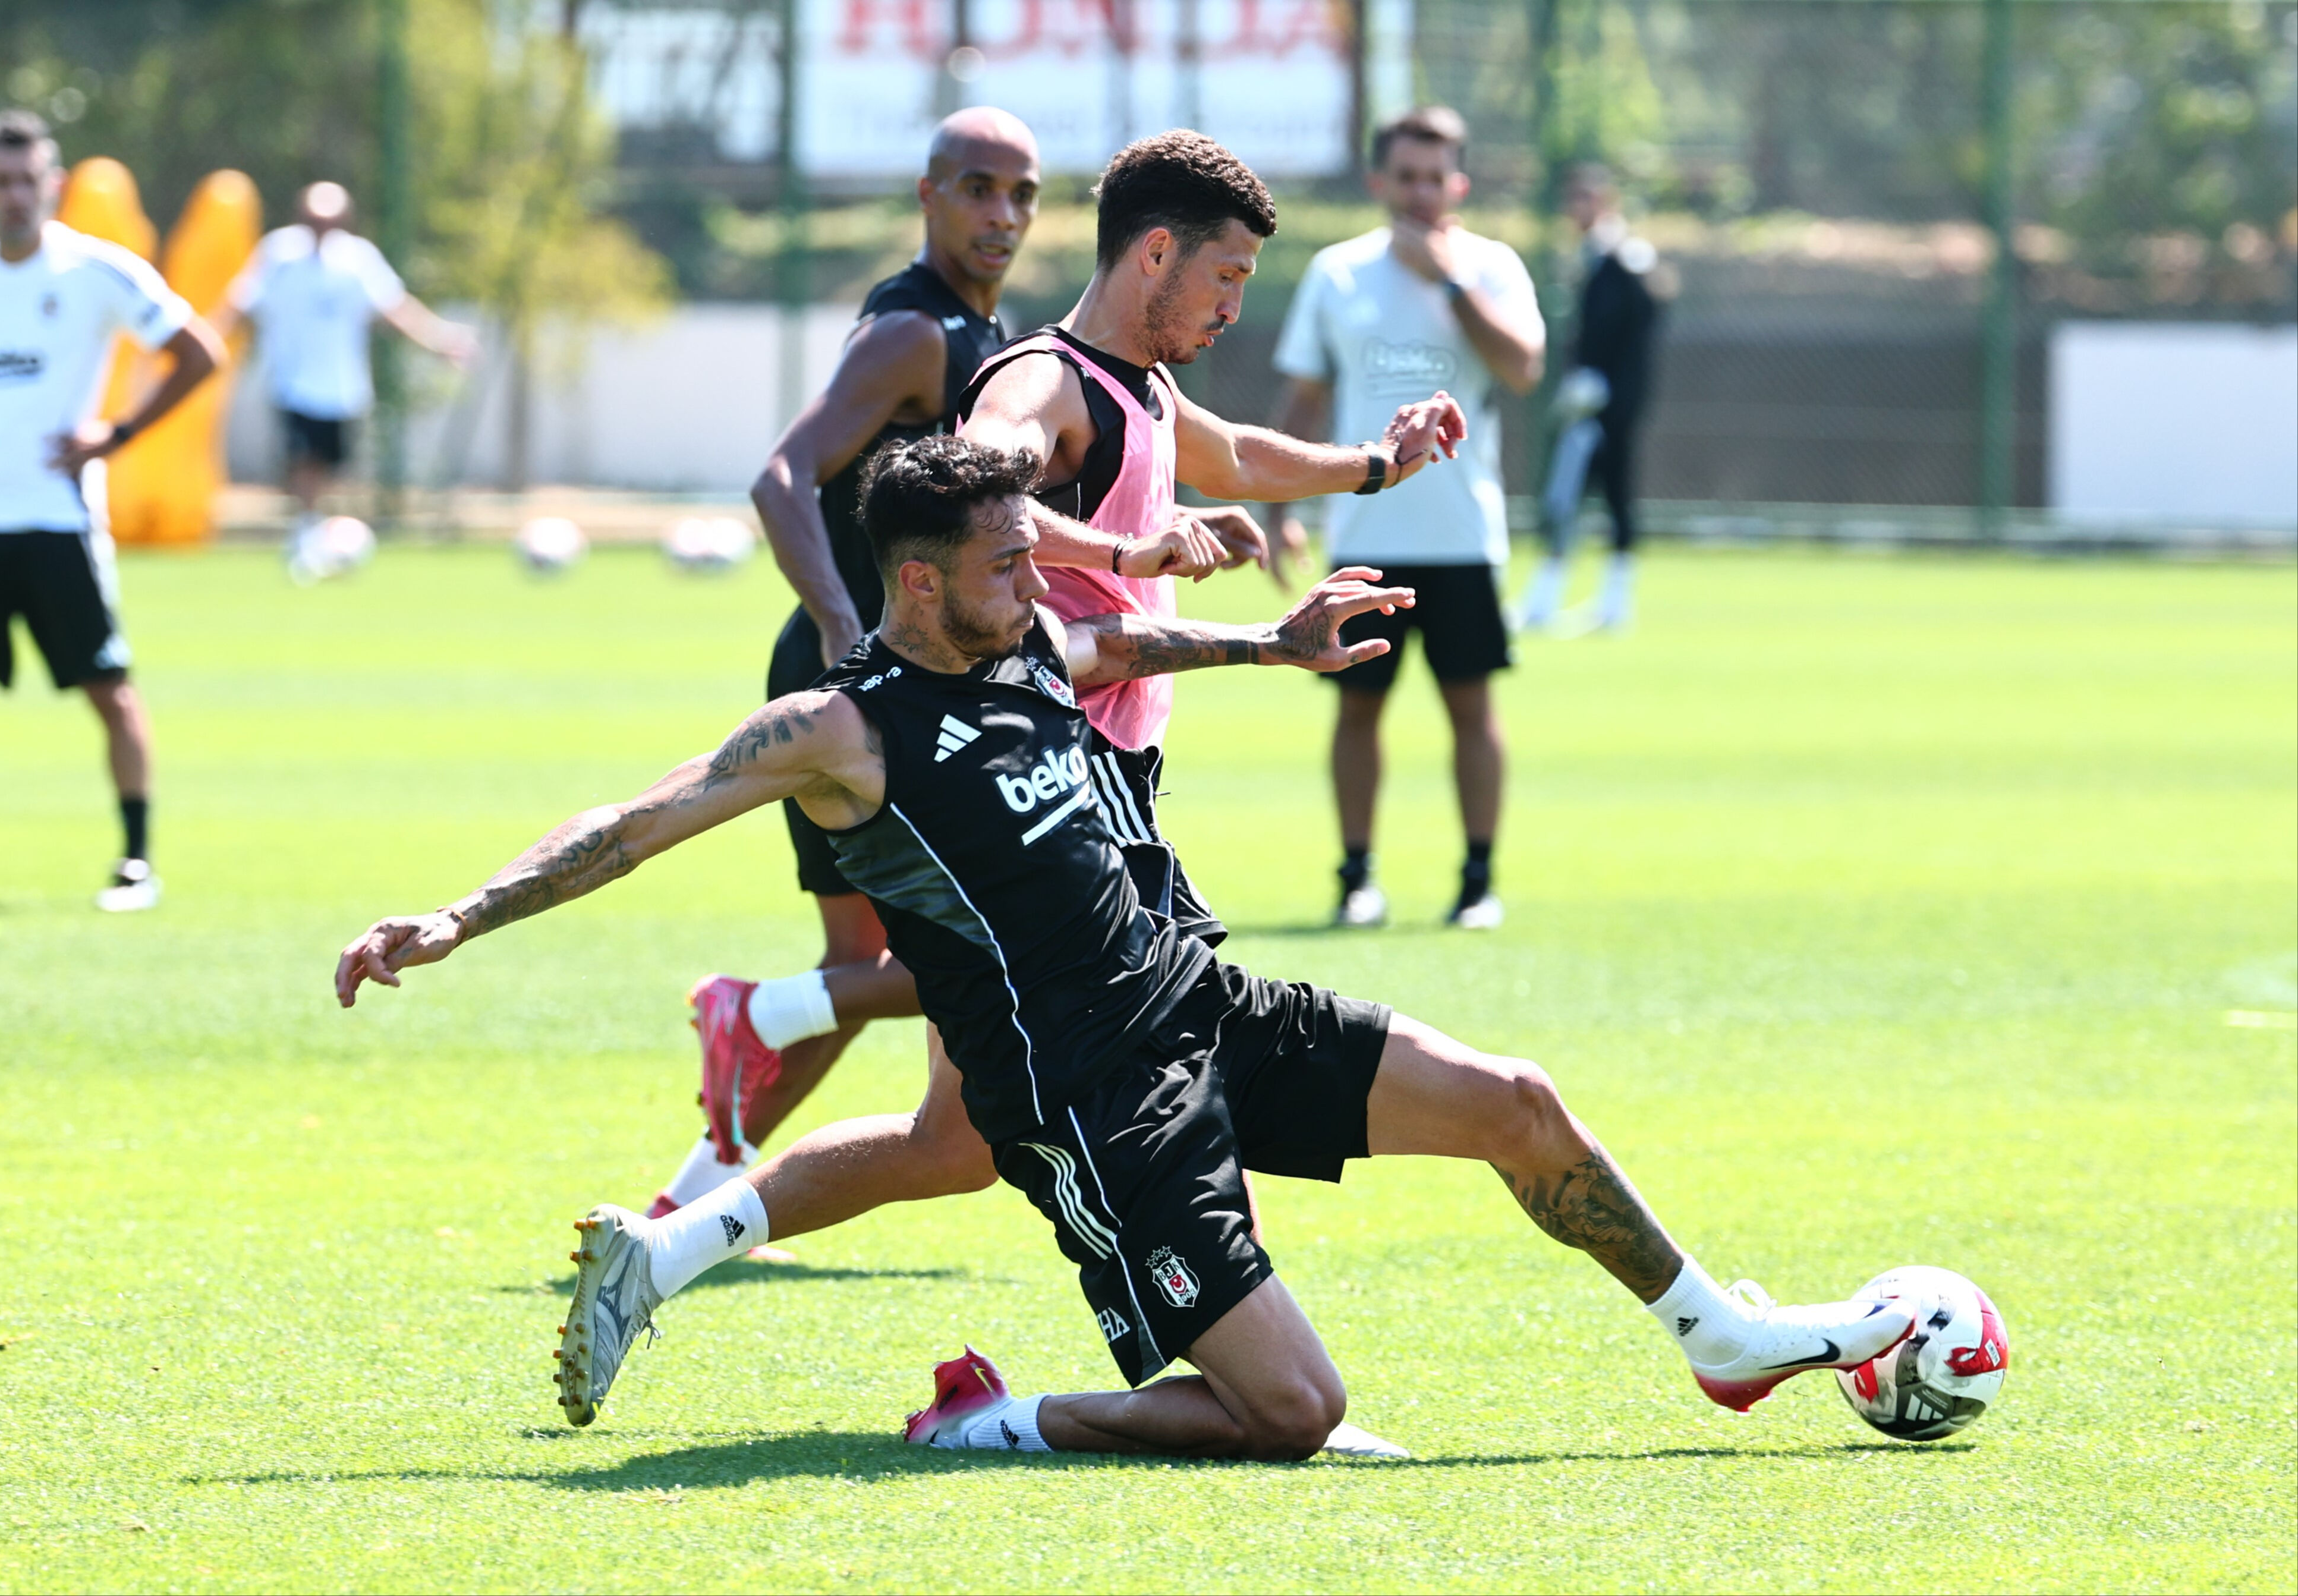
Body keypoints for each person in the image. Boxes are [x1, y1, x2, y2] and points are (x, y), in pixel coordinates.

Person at [332, 434, 1913, 1458]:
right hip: (1092, 1099)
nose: (1043, 586)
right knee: (1296, 1413)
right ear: (917, 577)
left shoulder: (1022, 642)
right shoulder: (840, 726)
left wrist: (1266, 642)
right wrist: (457, 916)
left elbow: (1122, 636)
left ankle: (1719, 1329)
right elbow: (640, 816)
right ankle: (1000, 1419)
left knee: (1515, 1096)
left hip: (1206, 1000)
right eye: (1011, 562)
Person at [656, 127, 1459, 1232]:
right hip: (1047, 773)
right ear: (1156, 254)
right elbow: (979, 494)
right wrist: (1131, 557)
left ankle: (669, 1238)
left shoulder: (1146, 389)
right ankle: (1216, 1339)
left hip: (1100, 759)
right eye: (1225, 278)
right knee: (1165, 1049)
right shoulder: (1040, 376)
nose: (1232, 307)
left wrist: (1379, 463)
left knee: (953, 1140)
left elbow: (1236, 457)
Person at [1268, 106, 1546, 931]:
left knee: (1470, 707)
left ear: (1457, 184)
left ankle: (1476, 881)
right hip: (1364, 533)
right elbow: (1302, 396)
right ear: (1377, 182)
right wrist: (1278, 505)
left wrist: (1448, 283)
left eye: (1437, 177)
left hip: (1460, 537)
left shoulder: (1491, 267)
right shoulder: (1336, 272)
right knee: (1356, 707)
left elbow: (1524, 369)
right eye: (1406, 176)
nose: (1421, 192)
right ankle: (1355, 878)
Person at [0, 110, 227, 910]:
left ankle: (136, 861)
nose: (14, 195)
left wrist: (118, 431)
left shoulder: (96, 272)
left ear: (55, 186)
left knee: (110, 688)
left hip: (56, 519)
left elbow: (199, 352)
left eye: (28, 180)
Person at [218, 181, 474, 550]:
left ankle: (315, 528)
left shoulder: (358, 259)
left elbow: (395, 308)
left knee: (327, 465)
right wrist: (204, 340)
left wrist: (439, 340)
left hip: (341, 386)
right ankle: (306, 532)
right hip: (291, 382)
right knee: (304, 459)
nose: (323, 228)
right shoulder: (279, 252)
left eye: (332, 221)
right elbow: (240, 301)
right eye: (315, 219)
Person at [1516, 163, 1661, 634]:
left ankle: (1599, 601)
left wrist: (1605, 386)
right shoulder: (1590, 257)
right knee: (1575, 495)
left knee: (1595, 494)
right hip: (1592, 402)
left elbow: (1635, 330)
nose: (1576, 208)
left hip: (1609, 407)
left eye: (1586, 198)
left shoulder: (1623, 257)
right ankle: (1559, 597)